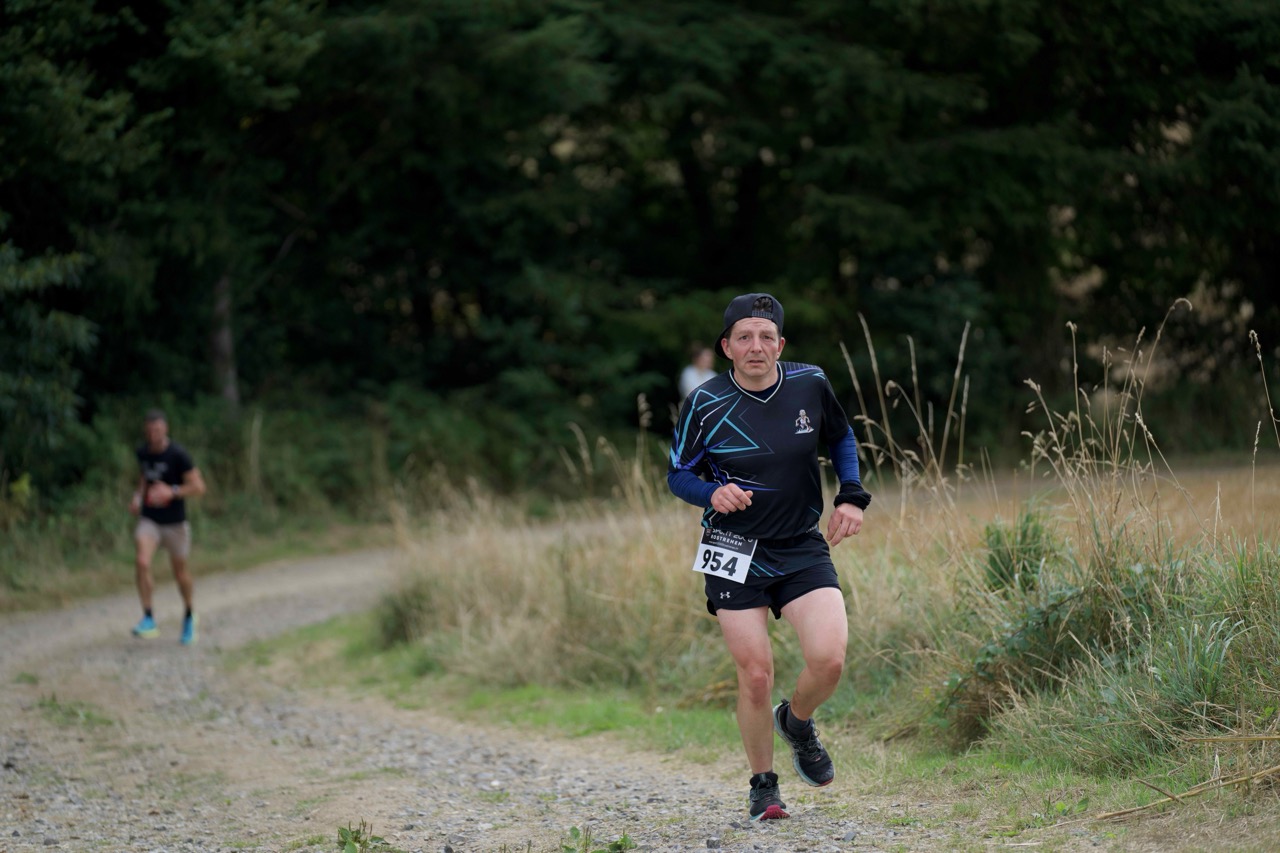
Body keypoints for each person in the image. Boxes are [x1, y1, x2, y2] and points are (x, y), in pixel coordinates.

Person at [667, 293, 871, 821]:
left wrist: (851, 495)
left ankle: (796, 722)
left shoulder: (810, 383)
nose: (755, 346)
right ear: (727, 347)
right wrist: (710, 493)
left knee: (829, 659)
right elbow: (678, 474)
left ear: (780, 345)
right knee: (755, 675)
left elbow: (841, 436)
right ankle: (764, 786)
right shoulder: (704, 402)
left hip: (800, 543)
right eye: (744, 337)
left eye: (766, 337)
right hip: (732, 548)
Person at [128, 409, 207, 645]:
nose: (154, 434)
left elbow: (199, 487)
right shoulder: (143, 452)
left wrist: (171, 491)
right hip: (150, 519)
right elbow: (144, 477)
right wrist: (138, 497)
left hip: (175, 523)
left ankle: (189, 615)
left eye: (158, 430)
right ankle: (148, 618)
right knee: (142, 562)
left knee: (180, 573)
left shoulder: (179, 455)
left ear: (165, 429)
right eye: (150, 430)